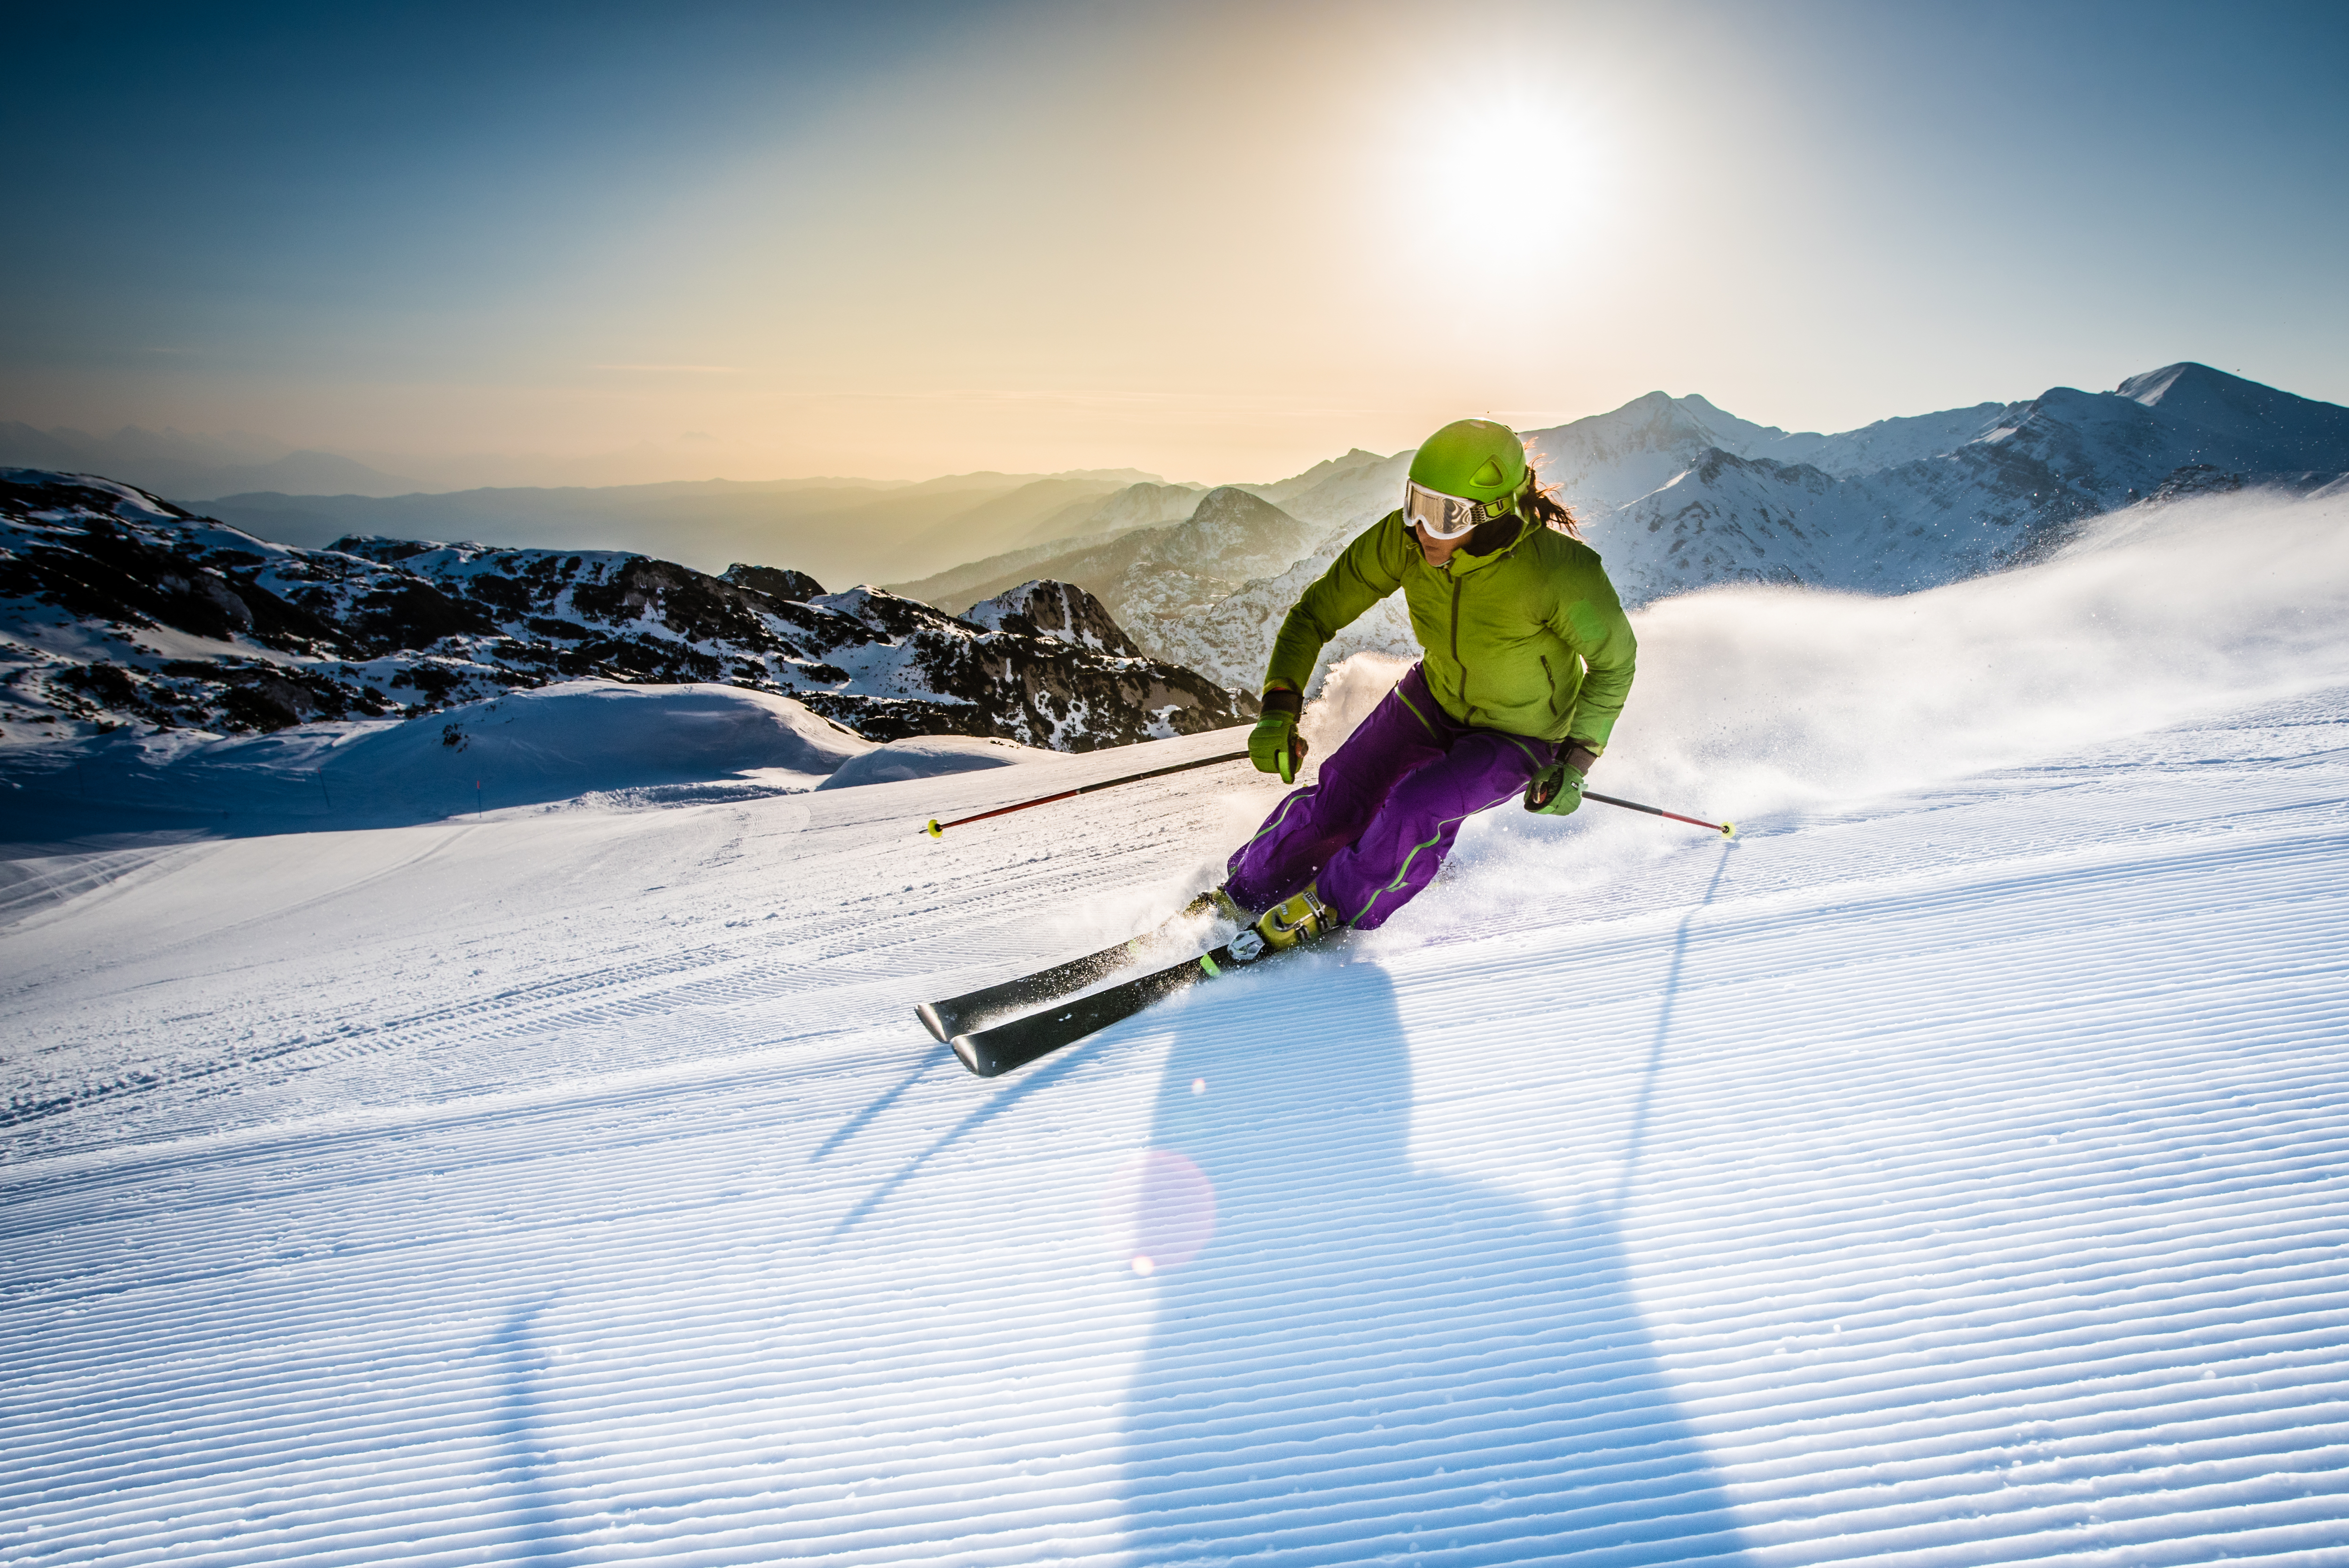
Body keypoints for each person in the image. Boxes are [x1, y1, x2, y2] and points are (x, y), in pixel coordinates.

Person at [1221, 418, 1637, 948]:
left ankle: (1335, 904)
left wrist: (1575, 761)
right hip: (1432, 698)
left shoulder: (1561, 574)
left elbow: (1614, 663)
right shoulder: (1404, 541)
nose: (1421, 528)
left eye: (1443, 516)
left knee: (1415, 807)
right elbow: (1314, 614)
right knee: (1342, 793)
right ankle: (1245, 889)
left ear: (1493, 514)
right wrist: (1278, 711)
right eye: (1415, 503)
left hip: (1520, 734)